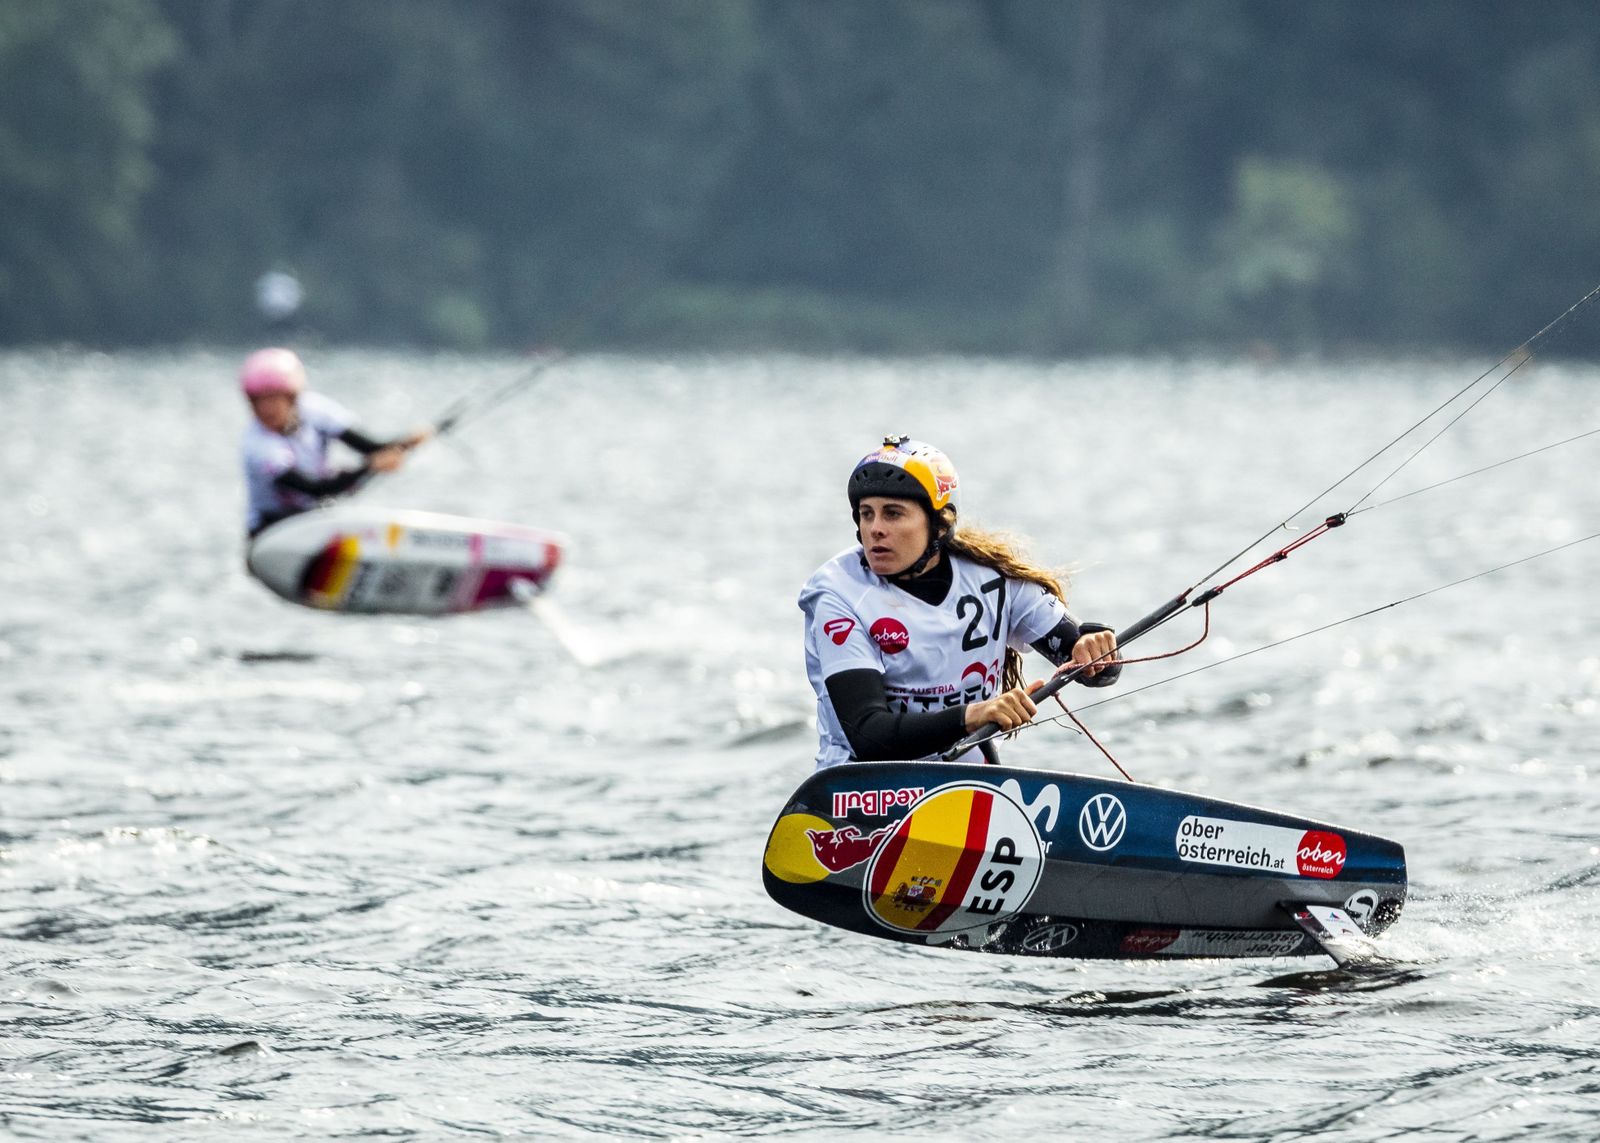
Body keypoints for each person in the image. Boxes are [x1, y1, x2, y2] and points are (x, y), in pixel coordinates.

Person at [800, 435, 1121, 769]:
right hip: (863, 794)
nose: (875, 529)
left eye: (893, 514)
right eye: (867, 514)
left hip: (969, 788)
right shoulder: (839, 593)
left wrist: (1096, 650)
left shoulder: (993, 577)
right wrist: (974, 714)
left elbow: (1095, 671)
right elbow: (869, 736)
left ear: (940, 524)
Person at [239, 347, 430, 536]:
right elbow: (313, 489)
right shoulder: (258, 446)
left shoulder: (314, 409)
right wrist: (369, 467)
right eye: (258, 401)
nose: (266, 409)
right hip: (269, 529)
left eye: (273, 399)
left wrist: (407, 441)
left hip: (312, 520)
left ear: (291, 398)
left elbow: (369, 447)